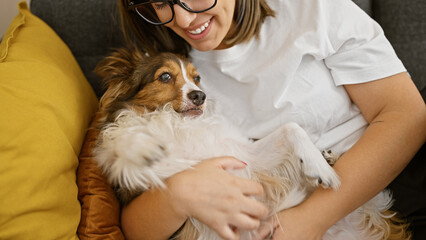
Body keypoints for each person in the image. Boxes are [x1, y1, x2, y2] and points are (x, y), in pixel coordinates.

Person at [116, 0, 426, 239]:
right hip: (268, 210)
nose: (183, 19)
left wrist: (312, 219)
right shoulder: (168, 73)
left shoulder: (311, 9)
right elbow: (134, 226)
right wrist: (178, 195)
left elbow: (406, 116)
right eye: (160, 3)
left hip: (384, 183)